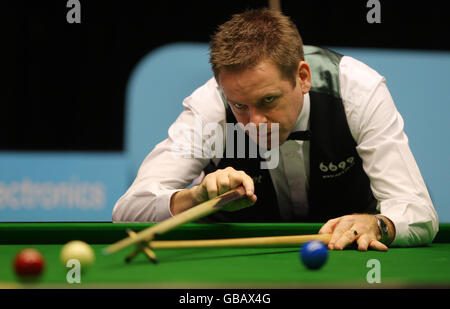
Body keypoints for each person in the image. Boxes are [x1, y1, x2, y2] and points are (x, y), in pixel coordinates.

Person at [113, 8, 438, 251]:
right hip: (234, 269)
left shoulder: (357, 91)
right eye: (239, 105)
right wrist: (196, 196)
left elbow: (418, 210)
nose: (254, 122)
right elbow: (129, 210)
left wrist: (379, 224)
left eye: (268, 99)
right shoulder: (209, 107)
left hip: (349, 259)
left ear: (303, 77)